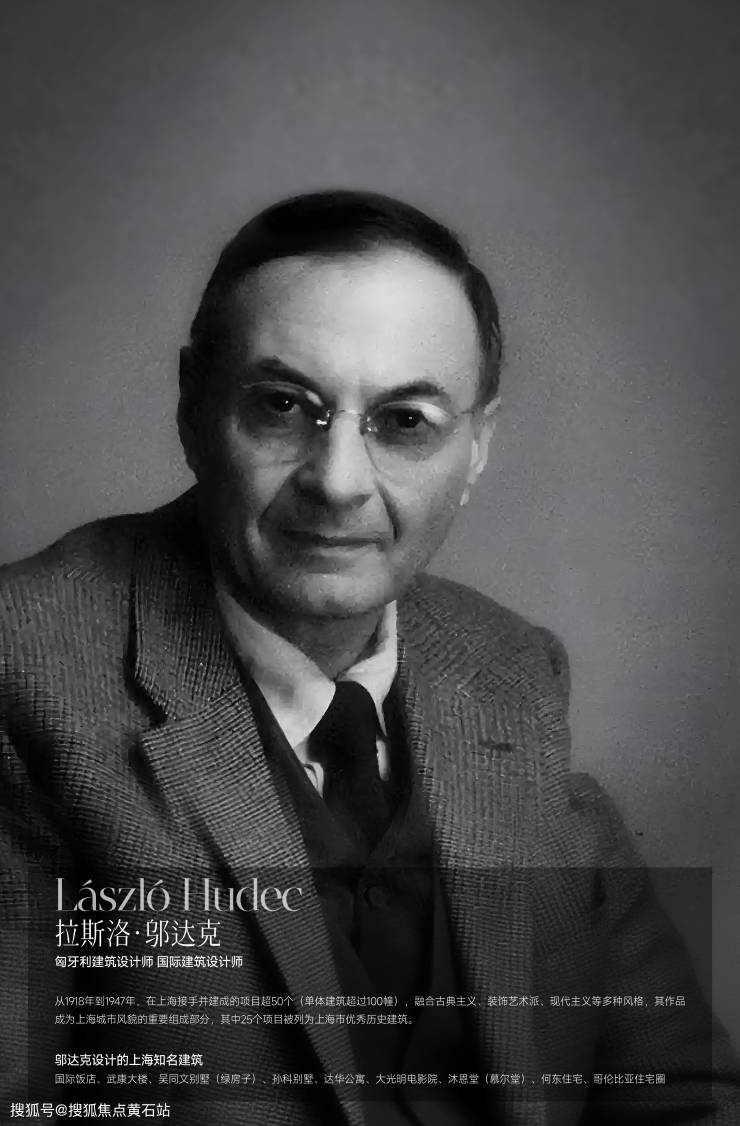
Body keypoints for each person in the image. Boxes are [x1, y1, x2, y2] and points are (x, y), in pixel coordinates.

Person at [1, 190, 737, 1126]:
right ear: (193, 405)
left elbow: (680, 1095)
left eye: (405, 422)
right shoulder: (22, 669)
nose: (339, 482)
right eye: (282, 406)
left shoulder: (509, 671)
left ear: (477, 447)